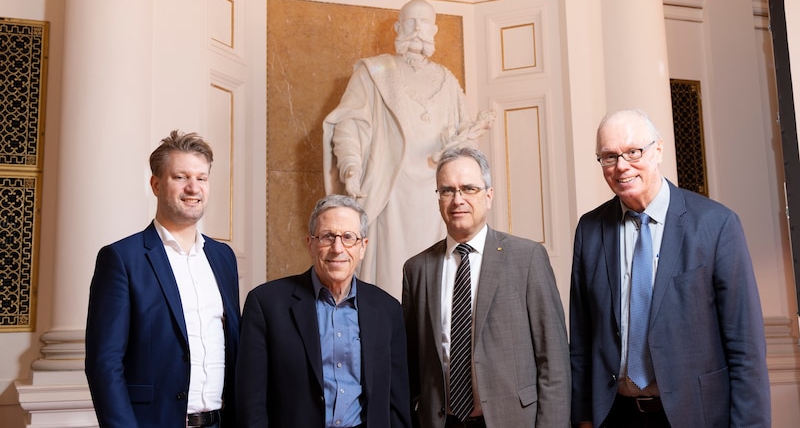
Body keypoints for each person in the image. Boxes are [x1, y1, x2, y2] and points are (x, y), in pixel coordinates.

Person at [569, 108, 770, 427]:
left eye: (633, 151)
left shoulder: (716, 225)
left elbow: (745, 348)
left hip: (693, 414)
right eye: (609, 157)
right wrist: (581, 418)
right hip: (613, 415)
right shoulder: (590, 229)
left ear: (658, 149)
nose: (622, 166)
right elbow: (581, 339)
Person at [323, 0, 493, 300]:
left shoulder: (449, 82)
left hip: (437, 199)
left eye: (424, 22)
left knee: (435, 286)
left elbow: (467, 146)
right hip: (390, 194)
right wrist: (352, 168)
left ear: (435, 30)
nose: (417, 30)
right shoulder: (374, 72)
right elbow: (350, 124)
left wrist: (461, 143)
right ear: (398, 28)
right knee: (389, 282)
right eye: (410, 22)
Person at [402, 146, 571, 428]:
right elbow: (411, 363)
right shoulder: (417, 270)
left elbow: (553, 362)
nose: (458, 200)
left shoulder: (527, 258)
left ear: (488, 196)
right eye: (447, 190)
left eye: (469, 189)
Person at [85, 130, 240, 427]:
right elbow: (104, 364)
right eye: (180, 177)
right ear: (156, 184)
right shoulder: (122, 259)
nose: (193, 188)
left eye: (202, 178)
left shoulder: (223, 258)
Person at [236, 194, 412, 427]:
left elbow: (398, 403)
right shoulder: (266, 304)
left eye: (348, 237)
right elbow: (251, 403)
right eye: (328, 237)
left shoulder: (388, 310)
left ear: (362, 247)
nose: (337, 248)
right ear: (311, 243)